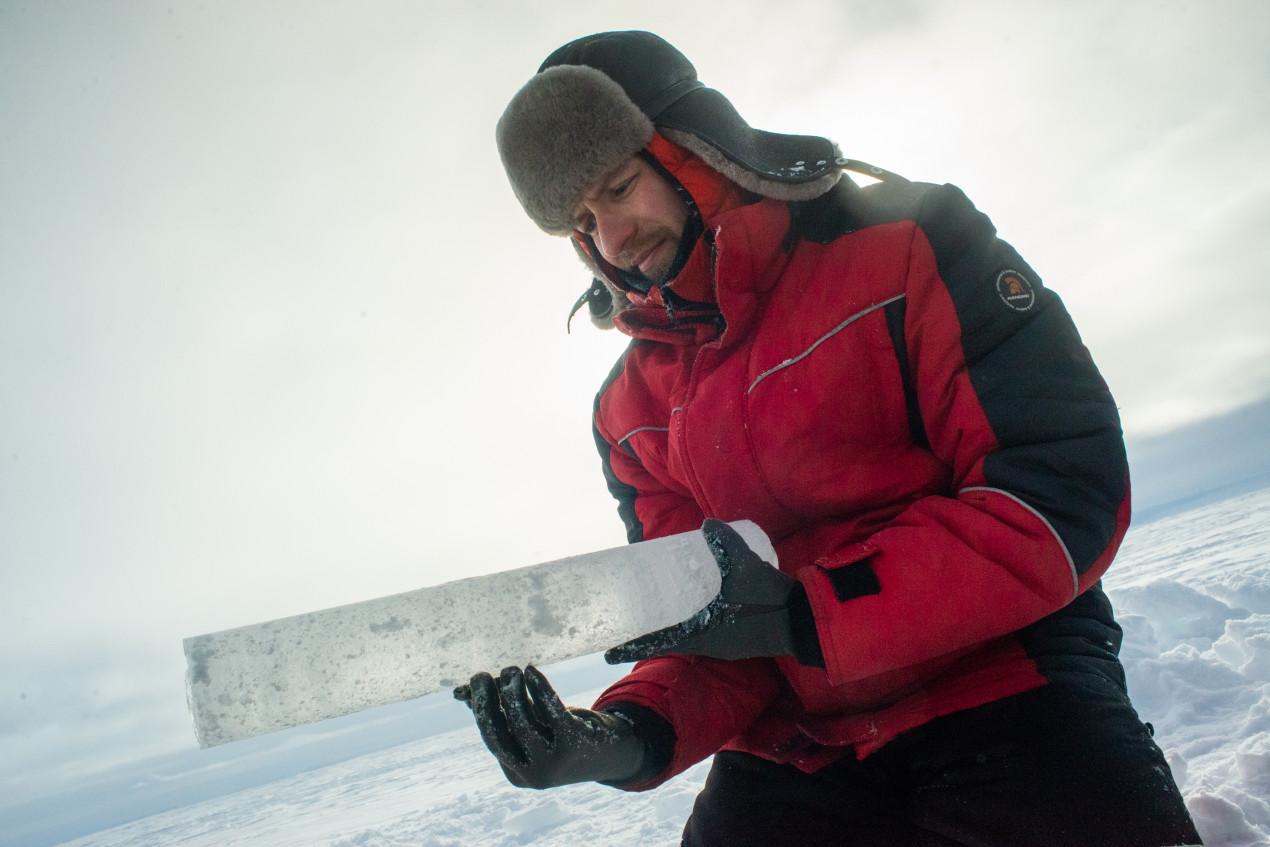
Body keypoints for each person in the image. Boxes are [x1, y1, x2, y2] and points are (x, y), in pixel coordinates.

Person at [456, 30, 1201, 846]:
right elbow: (706, 620)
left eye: (620, 186)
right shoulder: (627, 410)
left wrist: (803, 613)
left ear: (692, 150)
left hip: (1002, 673)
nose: (612, 237)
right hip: (802, 742)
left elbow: (1060, 492)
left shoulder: (912, 241)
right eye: (583, 221)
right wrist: (626, 733)